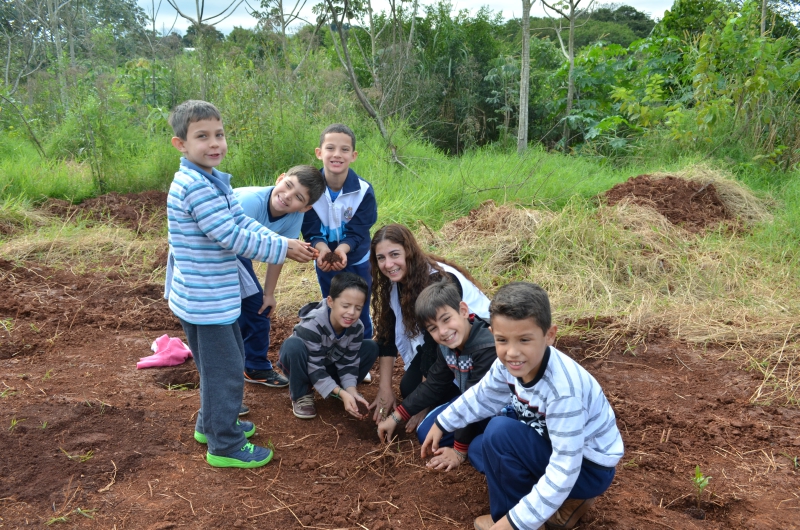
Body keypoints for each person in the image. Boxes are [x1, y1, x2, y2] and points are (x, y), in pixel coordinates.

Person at [165, 100, 315, 468]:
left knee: (219, 366)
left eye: (219, 134)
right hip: (206, 299)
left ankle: (211, 425)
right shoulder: (195, 187)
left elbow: (243, 223)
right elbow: (231, 236)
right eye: (202, 136)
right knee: (226, 371)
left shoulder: (212, 179)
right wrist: (283, 246)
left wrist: (282, 242)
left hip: (212, 294)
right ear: (181, 144)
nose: (214, 143)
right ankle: (225, 445)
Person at [421, 282, 624, 530]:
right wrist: (442, 422)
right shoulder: (507, 365)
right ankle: (546, 505)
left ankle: (519, 517)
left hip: (587, 467)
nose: (512, 352)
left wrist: (514, 523)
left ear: (549, 335)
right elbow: (482, 396)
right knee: (480, 448)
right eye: (502, 340)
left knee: (499, 434)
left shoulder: (562, 392)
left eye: (524, 340)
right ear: (492, 333)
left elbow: (564, 468)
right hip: (552, 443)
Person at [368, 223, 491, 429]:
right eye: (381, 258)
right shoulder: (392, 284)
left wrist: (425, 403)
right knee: (409, 388)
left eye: (394, 254)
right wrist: (384, 389)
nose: (388, 264)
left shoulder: (437, 280)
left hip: (478, 343)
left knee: (421, 392)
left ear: (409, 251)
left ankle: (458, 406)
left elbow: (435, 344)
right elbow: (386, 335)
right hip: (445, 341)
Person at [377, 281, 496, 472]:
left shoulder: (487, 347)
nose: (443, 331)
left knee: (479, 448)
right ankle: (473, 438)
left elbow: (475, 401)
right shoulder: (446, 346)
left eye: (446, 319)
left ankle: (476, 443)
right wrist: (396, 416)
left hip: (496, 411)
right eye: (432, 328)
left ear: (463, 310)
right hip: (468, 400)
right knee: (426, 433)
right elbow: (434, 384)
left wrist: (459, 451)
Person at [233, 165, 326, 389]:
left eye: (298, 197)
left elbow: (279, 253)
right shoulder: (250, 200)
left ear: (305, 208)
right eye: (288, 185)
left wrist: (269, 294)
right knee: (240, 306)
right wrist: (283, 245)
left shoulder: (294, 217)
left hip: (238, 253)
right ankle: (247, 365)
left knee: (259, 305)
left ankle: (251, 364)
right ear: (280, 178)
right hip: (216, 248)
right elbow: (232, 238)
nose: (287, 196)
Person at [301, 124, 377, 338]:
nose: (337, 154)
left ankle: (363, 345)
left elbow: (358, 229)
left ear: (353, 156)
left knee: (359, 306)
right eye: (330, 148)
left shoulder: (363, 191)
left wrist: (343, 249)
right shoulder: (309, 190)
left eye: (344, 149)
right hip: (325, 260)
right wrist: (322, 249)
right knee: (332, 304)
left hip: (358, 259)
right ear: (319, 153)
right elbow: (310, 228)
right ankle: (334, 345)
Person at [277, 272, 378, 420]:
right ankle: (301, 393)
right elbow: (314, 367)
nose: (351, 313)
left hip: (328, 363)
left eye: (358, 308)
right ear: (330, 302)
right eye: (345, 306)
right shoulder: (312, 325)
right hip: (305, 365)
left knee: (370, 347)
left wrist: (351, 392)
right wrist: (341, 393)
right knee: (293, 346)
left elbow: (349, 364)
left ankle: (338, 389)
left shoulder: (357, 328)